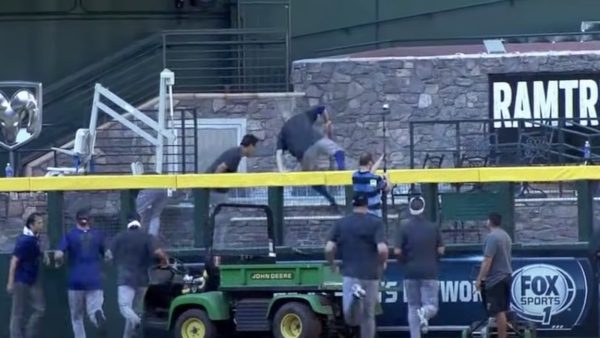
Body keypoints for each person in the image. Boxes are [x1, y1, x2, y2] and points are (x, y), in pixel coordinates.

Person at [324, 194, 388, 338]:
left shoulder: (341, 223)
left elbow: (328, 248)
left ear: (353, 205)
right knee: (368, 316)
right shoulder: (376, 223)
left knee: (351, 319)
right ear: (366, 205)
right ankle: (357, 297)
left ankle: (355, 296)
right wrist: (382, 262)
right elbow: (383, 249)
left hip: (350, 274)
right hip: (371, 275)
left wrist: (332, 264)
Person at [109, 212, 169, 338]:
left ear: (128, 223)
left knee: (125, 307)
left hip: (126, 279)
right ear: (139, 222)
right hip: (143, 280)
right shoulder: (147, 237)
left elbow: (108, 254)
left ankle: (137, 321)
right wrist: (165, 261)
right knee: (135, 310)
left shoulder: (120, 237)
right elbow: (158, 252)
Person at [276, 106, 346, 207]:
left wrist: (281, 170)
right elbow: (322, 108)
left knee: (312, 179)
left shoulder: (282, 134)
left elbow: (278, 154)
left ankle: (331, 199)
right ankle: (342, 170)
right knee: (338, 151)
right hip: (317, 141)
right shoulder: (303, 115)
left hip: (305, 155)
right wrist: (327, 122)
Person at [395, 197, 444, 338]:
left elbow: (397, 251)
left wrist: (404, 262)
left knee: (412, 306)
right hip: (430, 271)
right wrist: (434, 259)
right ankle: (425, 312)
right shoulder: (433, 227)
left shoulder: (403, 227)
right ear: (424, 208)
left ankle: (415, 335)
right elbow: (441, 250)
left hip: (410, 272)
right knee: (432, 306)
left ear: (410, 209)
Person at [55, 208, 108, 338]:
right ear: (90, 220)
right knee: (94, 310)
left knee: (77, 317)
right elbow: (108, 255)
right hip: (94, 279)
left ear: (76, 220)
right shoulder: (98, 234)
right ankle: (97, 316)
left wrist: (58, 261)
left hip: (75, 281)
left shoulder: (69, 235)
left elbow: (58, 254)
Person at [7, 212, 46, 338]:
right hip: (21, 281)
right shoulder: (24, 240)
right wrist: (10, 282)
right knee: (18, 313)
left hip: (33, 280)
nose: (42, 225)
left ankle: (28, 334)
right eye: (39, 223)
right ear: (31, 224)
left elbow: (35, 253)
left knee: (40, 309)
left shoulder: (35, 238)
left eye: (42, 222)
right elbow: (14, 261)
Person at [476, 212, 513, 338]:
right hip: (506, 276)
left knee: (498, 312)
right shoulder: (506, 236)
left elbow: (488, 260)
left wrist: (479, 279)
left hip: (496, 279)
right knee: (502, 310)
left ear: (489, 221)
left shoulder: (492, 237)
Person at [205, 133, 259, 207]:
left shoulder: (237, 153)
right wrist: (215, 188)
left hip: (213, 190)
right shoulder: (235, 155)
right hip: (211, 191)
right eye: (254, 146)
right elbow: (220, 168)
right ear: (250, 146)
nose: (254, 150)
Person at [352, 152, 392, 218]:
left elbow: (369, 175)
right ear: (370, 163)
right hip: (374, 211)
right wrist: (387, 178)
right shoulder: (375, 179)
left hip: (360, 210)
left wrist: (380, 159)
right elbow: (387, 189)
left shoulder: (355, 176)